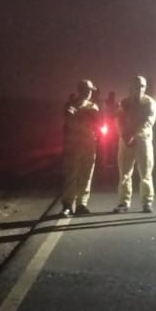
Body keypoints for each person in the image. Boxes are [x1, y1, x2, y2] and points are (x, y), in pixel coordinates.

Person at [114, 75, 156, 213]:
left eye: (142, 86)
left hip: (143, 141)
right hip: (126, 140)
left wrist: (133, 135)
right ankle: (124, 202)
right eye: (137, 86)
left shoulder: (150, 103)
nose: (140, 89)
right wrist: (124, 135)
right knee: (124, 173)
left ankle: (147, 202)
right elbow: (118, 119)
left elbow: (148, 121)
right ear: (131, 88)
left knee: (146, 173)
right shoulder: (124, 103)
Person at [61, 80, 100, 216]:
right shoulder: (70, 105)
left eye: (90, 90)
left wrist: (77, 117)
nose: (89, 93)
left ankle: (81, 204)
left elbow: (92, 122)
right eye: (88, 90)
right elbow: (69, 122)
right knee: (71, 175)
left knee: (86, 174)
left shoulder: (92, 106)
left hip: (89, 144)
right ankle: (67, 205)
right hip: (74, 145)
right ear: (81, 90)